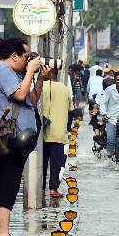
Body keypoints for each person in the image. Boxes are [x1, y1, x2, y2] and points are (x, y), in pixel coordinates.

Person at [0, 37, 43, 236]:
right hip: (8, 139)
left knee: (10, 184)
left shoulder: (13, 74)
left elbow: (31, 99)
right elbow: (20, 94)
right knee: (6, 184)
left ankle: (3, 234)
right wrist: (30, 70)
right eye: (26, 56)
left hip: (17, 140)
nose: (28, 60)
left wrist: (38, 77)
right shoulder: (1, 70)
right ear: (14, 56)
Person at [39, 66, 72, 198]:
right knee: (56, 165)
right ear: (56, 75)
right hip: (59, 132)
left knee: (41, 163)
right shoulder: (64, 89)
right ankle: (53, 189)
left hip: (41, 131)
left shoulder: (39, 87)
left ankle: (40, 189)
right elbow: (70, 108)